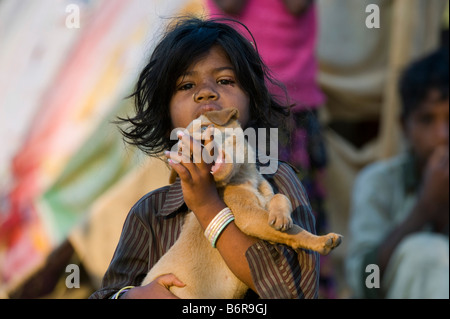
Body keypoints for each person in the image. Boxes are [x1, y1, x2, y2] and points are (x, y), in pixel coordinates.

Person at [89, 17, 320, 299]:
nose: (206, 92)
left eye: (224, 80)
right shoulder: (151, 213)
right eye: (186, 86)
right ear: (166, 118)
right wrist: (129, 297)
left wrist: (207, 206)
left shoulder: (276, 183)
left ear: (252, 104)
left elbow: (293, 293)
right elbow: (106, 293)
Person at [207, 0, 334, 298]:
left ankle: (303, 287)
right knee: (241, 210)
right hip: (236, 107)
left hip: (292, 108)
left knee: (299, 210)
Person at [346, 48, 449, 299]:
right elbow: (364, 282)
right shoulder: (378, 182)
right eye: (427, 120)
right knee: (424, 253)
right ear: (405, 127)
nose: (442, 135)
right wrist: (426, 205)